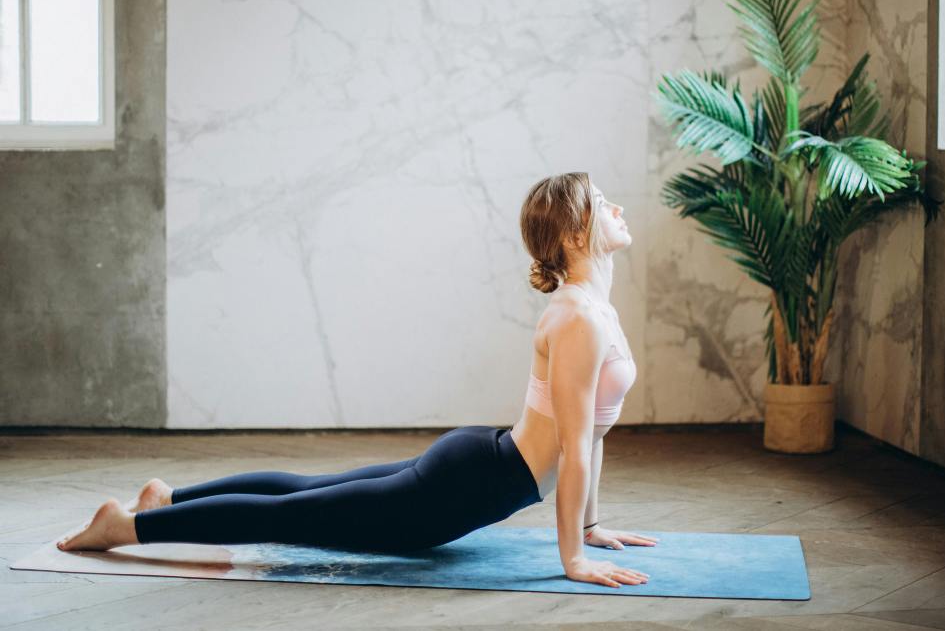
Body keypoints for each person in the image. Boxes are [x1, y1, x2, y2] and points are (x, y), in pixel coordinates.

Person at [56, 171, 657, 589]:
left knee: (304, 491)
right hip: (466, 486)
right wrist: (573, 558)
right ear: (575, 234)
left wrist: (589, 527)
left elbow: (592, 435)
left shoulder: (593, 311)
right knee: (289, 516)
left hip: (481, 464)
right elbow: (573, 447)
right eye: (604, 203)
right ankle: (126, 526)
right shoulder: (578, 319)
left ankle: (167, 499)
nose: (619, 209)